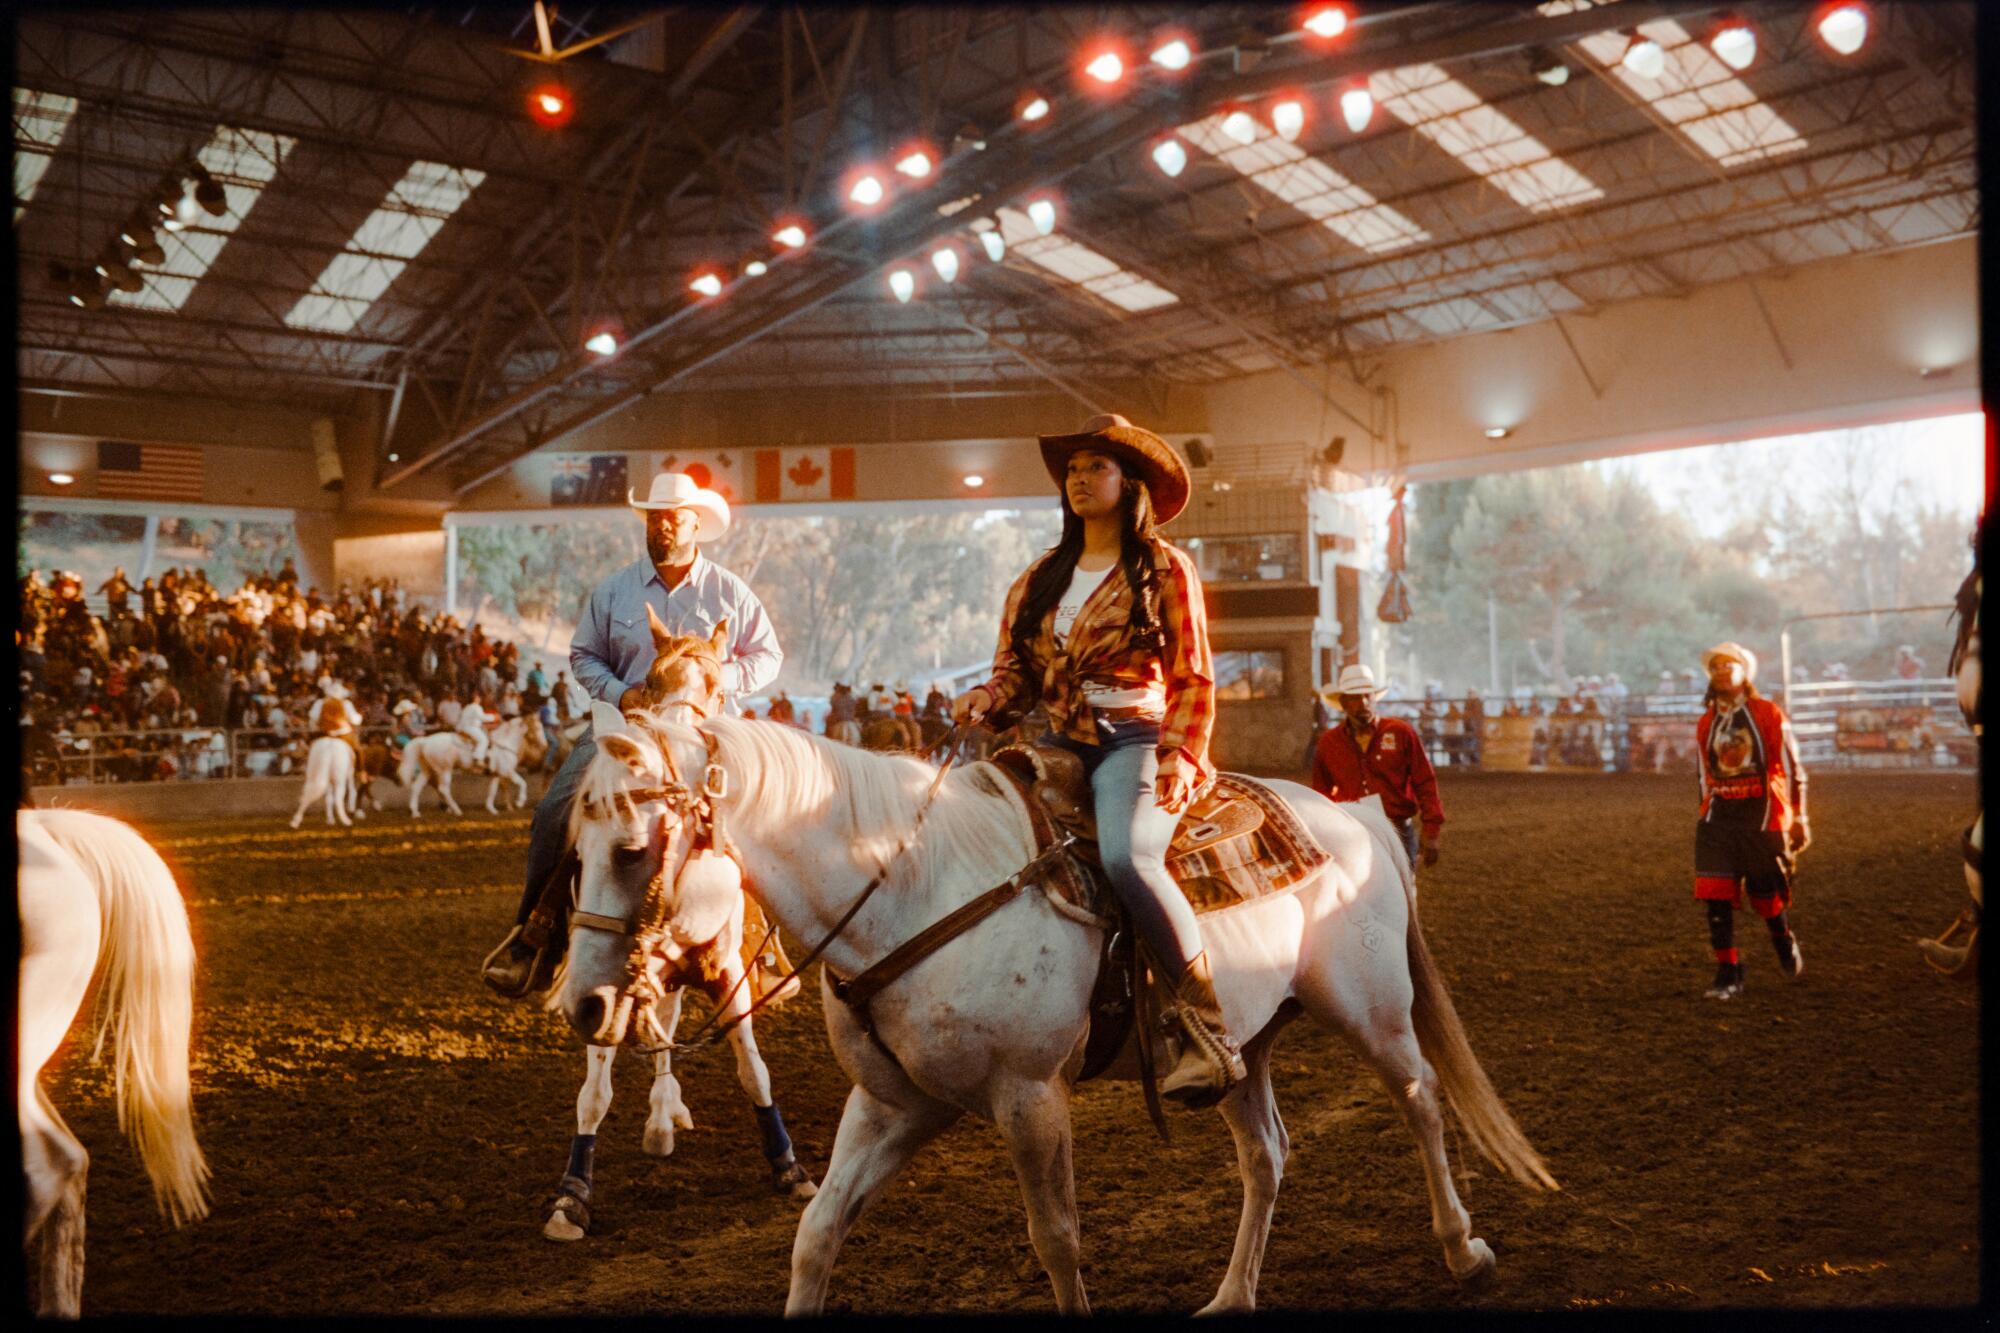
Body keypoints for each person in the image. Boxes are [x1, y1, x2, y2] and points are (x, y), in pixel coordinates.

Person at [951, 412, 1239, 1106]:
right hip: (1055, 742)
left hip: (1132, 738)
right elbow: (1015, 671)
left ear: (1129, 482)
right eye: (1072, 470)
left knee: (1125, 857)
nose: (1080, 480)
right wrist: (988, 696)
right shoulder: (1038, 579)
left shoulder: (1166, 569)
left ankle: (1205, 1017)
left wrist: (1178, 754)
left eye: (1095, 468)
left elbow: (1195, 675)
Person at [483, 471, 783, 997]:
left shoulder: (730, 591)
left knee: (758, 817)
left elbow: (768, 656)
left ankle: (761, 948)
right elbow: (583, 655)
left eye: (672, 518)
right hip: (627, 727)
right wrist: (623, 694)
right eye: (654, 517)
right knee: (555, 813)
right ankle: (536, 935)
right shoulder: (614, 590)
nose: (661, 527)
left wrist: (717, 678)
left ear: (695, 524)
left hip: (705, 731)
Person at [1694, 641, 1809, 1000]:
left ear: (1746, 673)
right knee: (1715, 894)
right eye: (1716, 667)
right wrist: (1706, 808)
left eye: (1730, 665)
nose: (1722, 671)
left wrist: (1799, 817)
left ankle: (1782, 936)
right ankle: (1729, 972)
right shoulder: (1706, 722)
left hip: (1761, 816)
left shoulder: (1768, 713)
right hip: (1719, 817)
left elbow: (1792, 769)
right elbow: (1703, 774)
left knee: (1766, 893)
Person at [1310, 664, 1445, 869]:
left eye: (1367, 696)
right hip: (1353, 831)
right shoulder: (1329, 743)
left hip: (1397, 828)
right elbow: (1321, 795)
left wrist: (1431, 831)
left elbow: (1424, 781)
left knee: (1404, 890)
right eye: (1355, 697)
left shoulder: (1401, 733)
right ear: (1344, 703)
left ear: (1374, 698)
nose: (1363, 703)